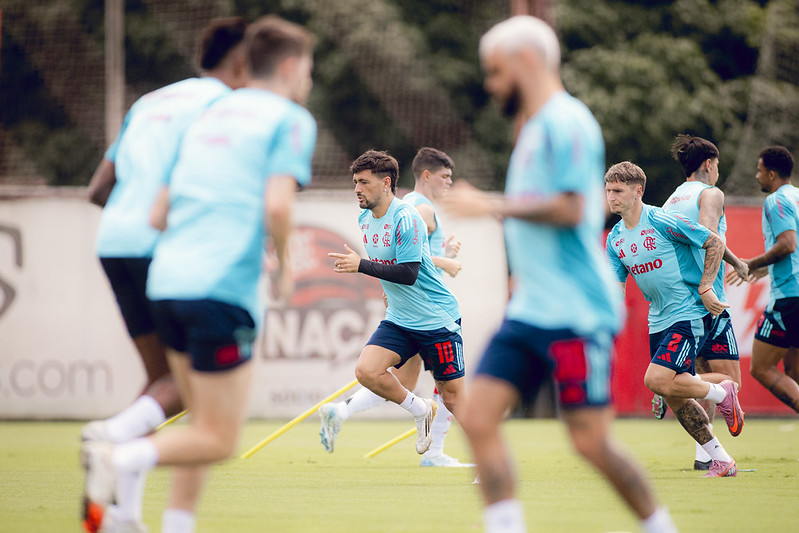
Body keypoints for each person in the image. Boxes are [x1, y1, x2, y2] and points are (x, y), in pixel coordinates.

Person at [81, 16, 317, 533]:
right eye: (310, 71)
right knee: (219, 438)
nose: (309, 82)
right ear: (292, 67)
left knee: (194, 416)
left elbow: (157, 214)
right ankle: (117, 456)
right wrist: (282, 266)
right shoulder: (289, 118)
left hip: (166, 281)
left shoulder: (206, 115)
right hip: (219, 289)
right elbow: (279, 206)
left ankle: (169, 522)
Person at [442, 16, 678, 533]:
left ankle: (660, 526)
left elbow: (574, 208)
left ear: (526, 62)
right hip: (532, 310)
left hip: (575, 310)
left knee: (589, 441)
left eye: (496, 71)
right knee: (478, 419)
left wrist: (491, 205)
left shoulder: (566, 122)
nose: (491, 84)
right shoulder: (532, 126)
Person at [317, 147, 469, 467]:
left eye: (364, 182)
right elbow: (388, 266)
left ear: (386, 183)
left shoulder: (407, 217)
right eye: (355, 182)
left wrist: (361, 266)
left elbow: (408, 273)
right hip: (401, 318)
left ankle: (489, 459)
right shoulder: (364, 217)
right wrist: (383, 288)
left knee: (453, 397)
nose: (357, 189)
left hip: (436, 319)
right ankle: (421, 411)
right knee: (367, 371)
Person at [605, 161, 744, 478]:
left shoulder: (663, 220)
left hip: (687, 314)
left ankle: (723, 393)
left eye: (618, 190)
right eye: (608, 190)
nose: (611, 197)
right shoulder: (615, 239)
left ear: (638, 191)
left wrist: (706, 285)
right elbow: (615, 289)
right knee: (674, 395)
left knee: (655, 381)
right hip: (658, 321)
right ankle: (722, 460)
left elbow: (714, 241)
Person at [658, 134, 748, 470]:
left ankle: (704, 457)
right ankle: (663, 381)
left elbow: (686, 242)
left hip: (677, 304)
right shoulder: (711, 193)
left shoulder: (669, 202)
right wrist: (707, 285)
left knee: (698, 379)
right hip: (707, 302)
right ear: (709, 164)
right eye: (718, 163)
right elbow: (708, 237)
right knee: (729, 384)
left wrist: (736, 262)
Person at [728, 146, 799, 412]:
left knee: (761, 367)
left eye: (759, 171)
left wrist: (750, 263)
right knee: (793, 373)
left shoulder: (775, 201)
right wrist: (766, 269)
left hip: (789, 297)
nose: (757, 176)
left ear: (771, 173)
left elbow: (788, 244)